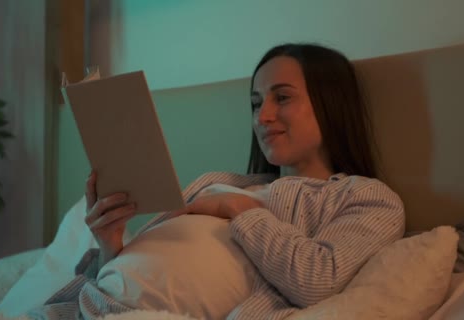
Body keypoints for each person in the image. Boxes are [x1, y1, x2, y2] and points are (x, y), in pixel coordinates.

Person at [29, 43, 405, 320]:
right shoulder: (220, 181)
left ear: (331, 103)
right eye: (256, 103)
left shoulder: (368, 198)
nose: (263, 117)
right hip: (91, 309)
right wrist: (110, 246)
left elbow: (317, 280)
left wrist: (240, 209)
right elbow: (141, 271)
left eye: (282, 98)